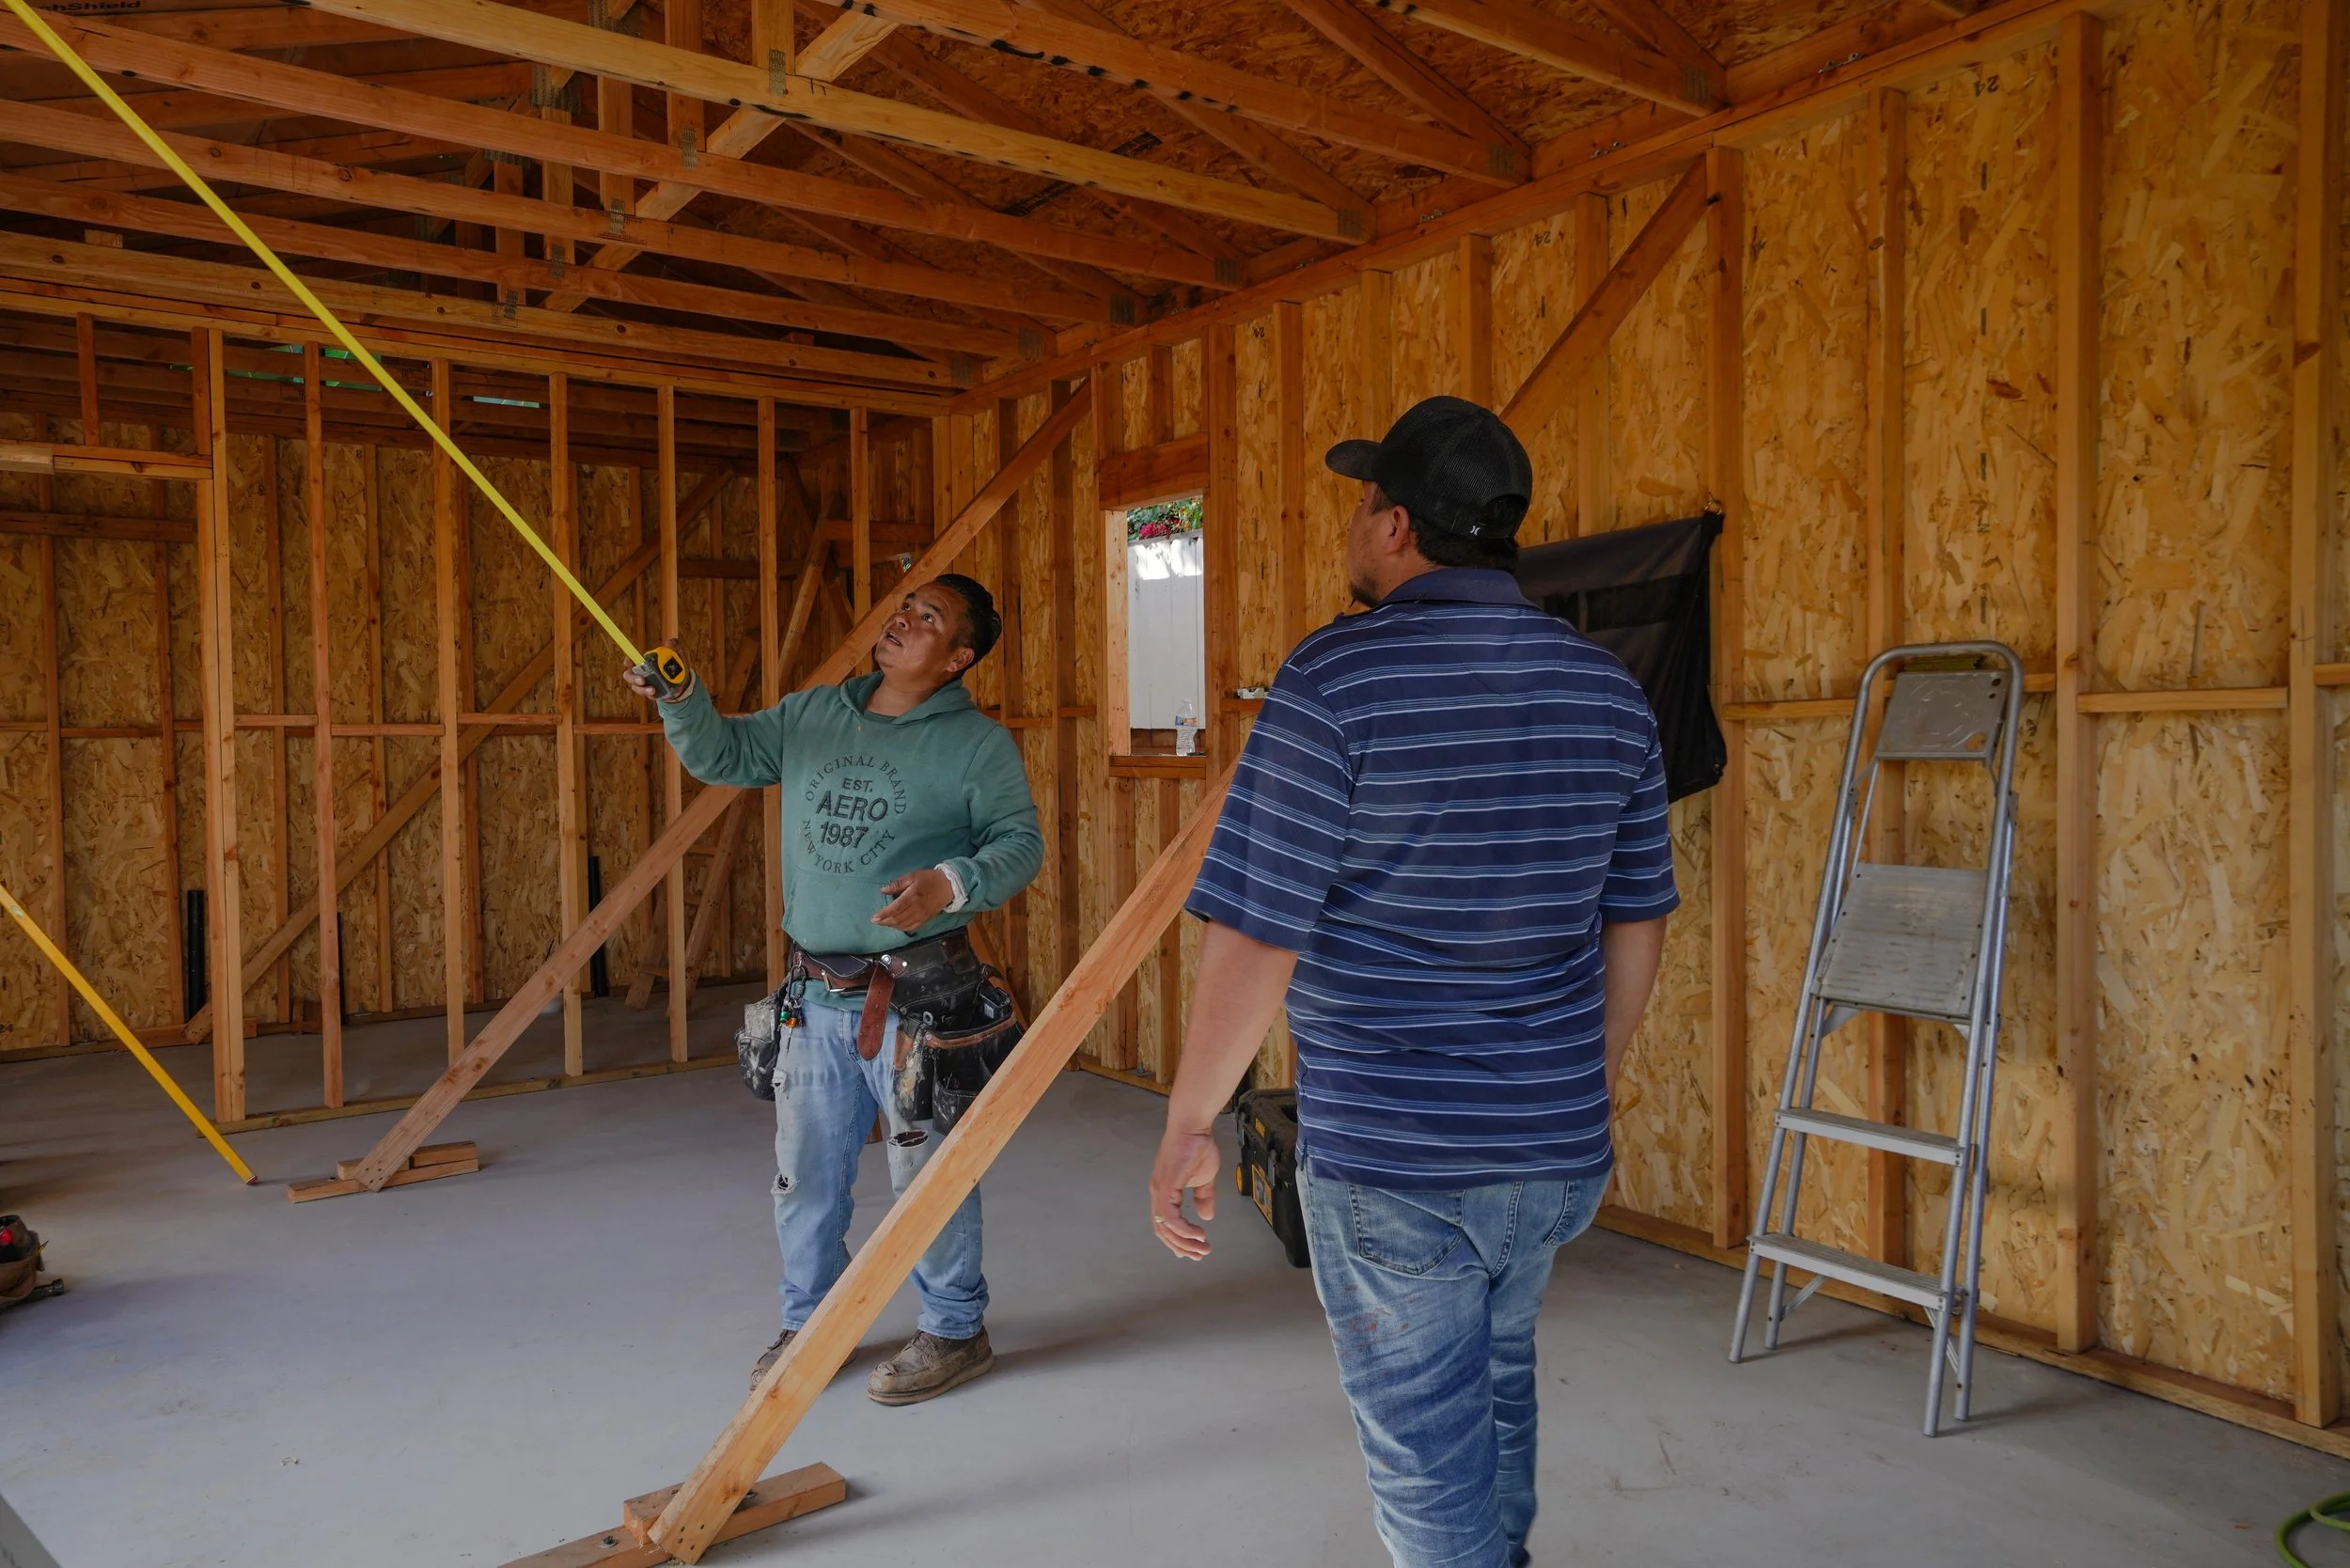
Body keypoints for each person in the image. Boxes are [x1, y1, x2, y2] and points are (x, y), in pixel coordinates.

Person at [1147, 397, 1677, 1568]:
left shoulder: (1335, 682)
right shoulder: (1608, 691)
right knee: (1496, 1381)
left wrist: (1191, 1121)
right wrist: (1583, 1082)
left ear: (1394, 527)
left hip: (1399, 1160)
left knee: (1423, 1452)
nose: (1350, 523)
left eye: (1359, 501)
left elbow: (1258, 937)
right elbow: (1634, 923)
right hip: (1552, 1151)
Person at [626, 572, 1042, 1405]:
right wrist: (682, 698)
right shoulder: (816, 713)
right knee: (806, 1177)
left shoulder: (975, 745)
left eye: (929, 620)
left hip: (919, 998)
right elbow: (727, 754)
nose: (903, 621)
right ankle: (812, 1322)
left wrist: (949, 885)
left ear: (958, 658)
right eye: (905, 606)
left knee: (929, 1176)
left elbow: (1017, 844)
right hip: (814, 995)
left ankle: (957, 1331)